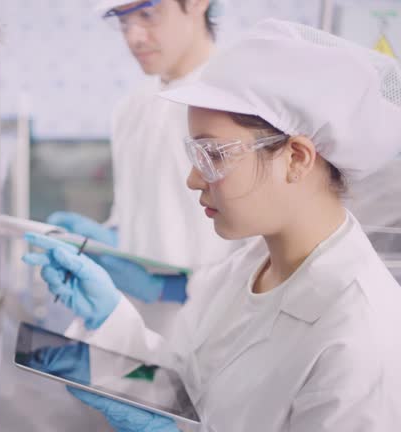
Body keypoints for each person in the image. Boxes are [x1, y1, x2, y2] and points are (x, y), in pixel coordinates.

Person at [24, 19, 401, 431]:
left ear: (296, 158)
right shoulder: (244, 268)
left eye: (214, 155)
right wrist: (112, 320)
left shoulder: (362, 337)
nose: (193, 178)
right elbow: (185, 384)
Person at [47, 0, 238, 307]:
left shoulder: (240, 102)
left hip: (217, 319)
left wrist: (173, 290)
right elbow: (135, 210)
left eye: (148, 14)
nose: (133, 37)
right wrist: (106, 241)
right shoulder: (131, 108)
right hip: (133, 317)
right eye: (122, 22)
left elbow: (263, 248)